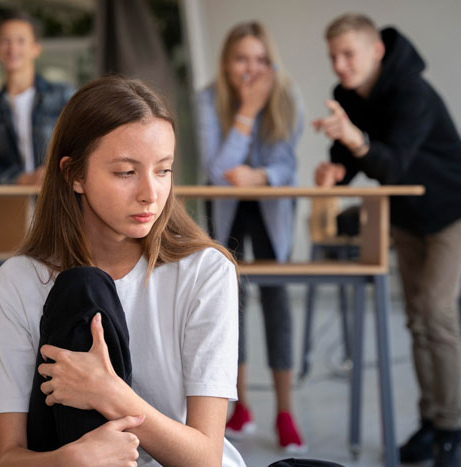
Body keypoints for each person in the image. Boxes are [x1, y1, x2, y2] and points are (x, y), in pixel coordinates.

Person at [0, 75, 246, 466]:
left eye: (163, 170)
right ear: (75, 175)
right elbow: (6, 459)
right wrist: (70, 460)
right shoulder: (16, 283)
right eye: (126, 172)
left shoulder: (206, 272)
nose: (150, 193)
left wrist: (108, 392)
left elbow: (206, 458)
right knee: (81, 288)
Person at [313, 13, 461, 467]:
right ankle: (431, 421)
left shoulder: (412, 91)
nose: (340, 66)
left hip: (452, 210)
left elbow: (393, 164)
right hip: (406, 215)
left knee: (436, 314)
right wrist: (336, 172)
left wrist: (354, 138)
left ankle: (450, 429)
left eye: (348, 54)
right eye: (333, 57)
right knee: (416, 319)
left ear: (376, 51)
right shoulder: (345, 96)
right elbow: (347, 159)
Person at [196, 21, 305, 452]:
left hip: (271, 208)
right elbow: (215, 169)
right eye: (242, 58)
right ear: (226, 63)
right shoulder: (209, 99)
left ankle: (285, 411)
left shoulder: (286, 96)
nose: (251, 68)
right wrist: (245, 112)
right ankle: (237, 406)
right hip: (226, 212)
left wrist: (259, 176)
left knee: (276, 301)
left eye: (260, 59)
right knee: (229, 301)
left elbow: (287, 167)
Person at [0, 10, 73, 185]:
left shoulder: (63, 97)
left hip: (59, 200)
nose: (13, 48)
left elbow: (83, 148)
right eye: (5, 40)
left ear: (36, 49)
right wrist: (23, 179)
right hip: (12, 206)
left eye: (21, 41)